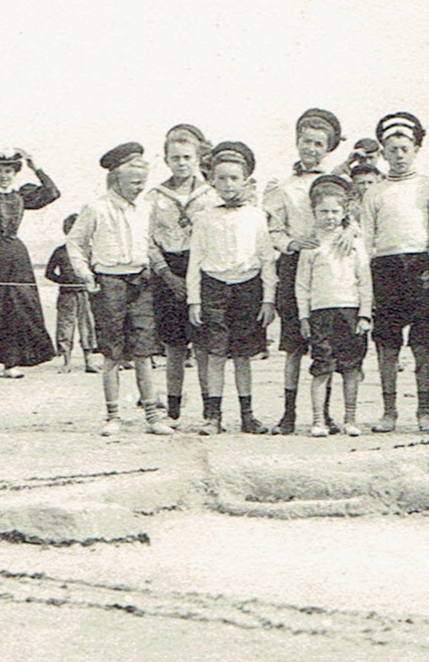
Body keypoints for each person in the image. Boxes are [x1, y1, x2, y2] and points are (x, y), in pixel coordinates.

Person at [69, 142, 169, 434]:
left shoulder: (146, 208)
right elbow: (75, 243)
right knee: (112, 353)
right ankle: (113, 416)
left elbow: (149, 244)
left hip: (140, 281)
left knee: (143, 351)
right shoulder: (96, 208)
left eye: (143, 182)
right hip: (108, 282)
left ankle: (152, 416)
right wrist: (85, 274)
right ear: (116, 179)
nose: (139, 188)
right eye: (133, 182)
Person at [358, 111, 429, 434]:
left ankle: (424, 411)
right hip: (386, 270)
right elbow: (367, 240)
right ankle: (389, 411)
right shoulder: (375, 192)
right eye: (392, 150)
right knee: (387, 346)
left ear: (417, 148)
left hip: (421, 268)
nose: (399, 155)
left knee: (421, 346)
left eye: (405, 149)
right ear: (383, 152)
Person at [187, 141, 277, 435]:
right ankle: (213, 417)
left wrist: (268, 299)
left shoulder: (255, 216)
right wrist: (194, 300)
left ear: (246, 180)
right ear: (211, 180)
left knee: (242, 356)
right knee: (215, 355)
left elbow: (266, 258)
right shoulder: (204, 217)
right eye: (221, 178)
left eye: (234, 178)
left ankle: (248, 416)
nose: (228, 184)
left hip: (247, 289)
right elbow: (195, 261)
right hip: (213, 289)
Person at [266, 107, 344, 434]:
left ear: (327, 149)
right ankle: (288, 414)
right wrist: (292, 244)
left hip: (329, 270)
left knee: (325, 343)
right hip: (296, 265)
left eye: (319, 144)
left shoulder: (338, 183)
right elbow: (272, 230)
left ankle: (323, 413)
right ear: (297, 141)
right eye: (306, 142)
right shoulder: (281, 186)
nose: (311, 149)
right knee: (294, 345)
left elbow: (349, 220)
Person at [0, 149, 60, 378]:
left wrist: (35, 166)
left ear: (15, 172)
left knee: (16, 309)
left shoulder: (22, 196)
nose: (3, 175)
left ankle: (11, 363)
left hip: (16, 256)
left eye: (8, 171)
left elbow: (52, 192)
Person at [146, 123, 214, 419]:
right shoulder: (155, 197)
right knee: (174, 346)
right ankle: (173, 409)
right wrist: (166, 274)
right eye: (176, 158)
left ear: (198, 158)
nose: (182, 163)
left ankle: (210, 411)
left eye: (187, 157)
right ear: (166, 160)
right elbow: (147, 240)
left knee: (203, 346)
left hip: (202, 269)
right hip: (168, 271)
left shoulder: (210, 195)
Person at [296, 174, 372, 437]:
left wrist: (364, 315)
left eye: (334, 211)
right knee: (321, 367)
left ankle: (350, 419)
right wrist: (304, 317)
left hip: (350, 311)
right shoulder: (310, 245)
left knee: (351, 368)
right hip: (320, 313)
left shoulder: (355, 242)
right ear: (314, 212)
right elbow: (302, 286)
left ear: (344, 212)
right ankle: (318, 420)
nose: (329, 216)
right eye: (323, 211)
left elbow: (365, 281)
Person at [45, 214, 100, 374]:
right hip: (67, 295)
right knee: (65, 327)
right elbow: (49, 273)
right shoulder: (60, 251)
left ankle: (89, 361)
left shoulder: (89, 251)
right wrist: (63, 281)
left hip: (86, 294)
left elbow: (97, 270)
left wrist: (92, 283)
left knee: (88, 327)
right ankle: (66, 362)